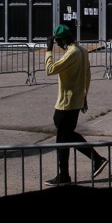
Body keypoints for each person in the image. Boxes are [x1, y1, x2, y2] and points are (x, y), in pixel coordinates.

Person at [44, 24, 108, 186]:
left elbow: (50, 69)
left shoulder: (72, 53)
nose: (57, 43)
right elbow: (87, 75)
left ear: (64, 39)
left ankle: (65, 175)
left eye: (57, 41)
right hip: (76, 101)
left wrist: (48, 51)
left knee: (63, 140)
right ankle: (96, 160)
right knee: (68, 135)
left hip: (66, 103)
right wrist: (84, 96)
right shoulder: (82, 51)